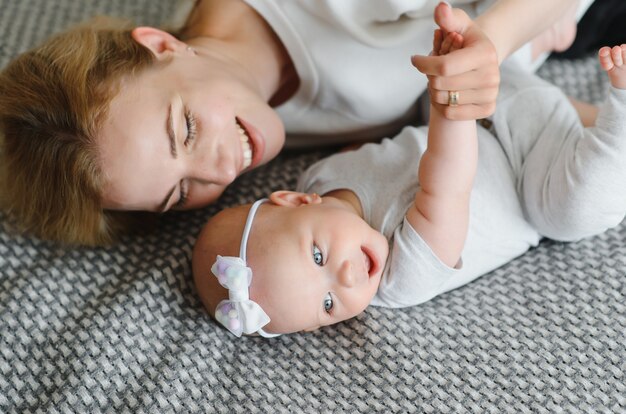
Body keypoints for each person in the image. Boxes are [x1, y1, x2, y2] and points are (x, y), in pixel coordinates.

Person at [0, 0, 592, 245]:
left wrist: (501, 37)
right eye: (178, 192)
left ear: (161, 44)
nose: (222, 168)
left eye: (183, 129)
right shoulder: (238, 105)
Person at [191, 13, 626, 337]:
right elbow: (447, 188)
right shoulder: (401, 280)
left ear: (296, 200)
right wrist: (448, 110)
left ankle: (536, 40)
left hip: (500, 107)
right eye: (327, 305)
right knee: (575, 212)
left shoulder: (320, 178)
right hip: (536, 182)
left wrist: (450, 83)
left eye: (319, 257)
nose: (345, 279)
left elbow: (378, 150)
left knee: (439, 75)